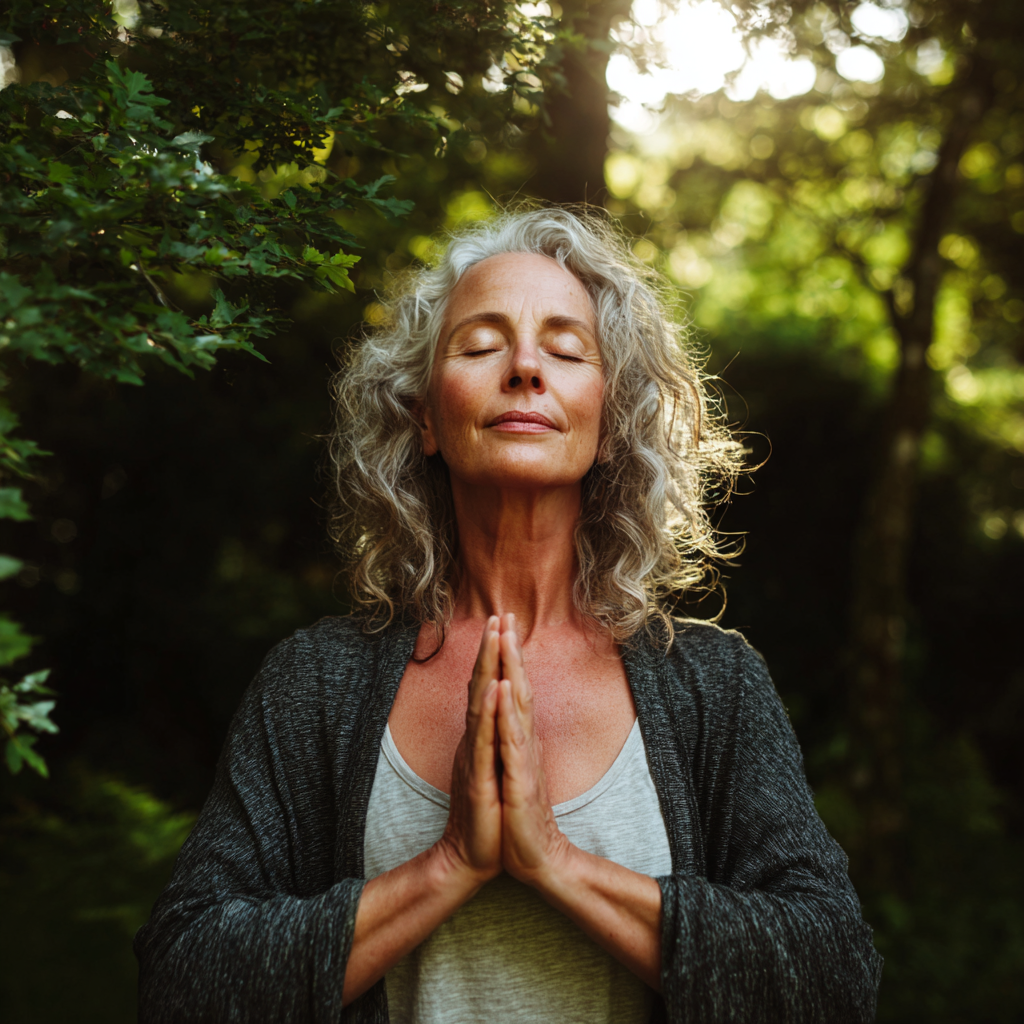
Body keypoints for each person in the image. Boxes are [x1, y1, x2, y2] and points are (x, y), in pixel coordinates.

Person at [135, 208, 882, 1023]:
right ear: (423, 416)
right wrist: (448, 864)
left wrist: (555, 861)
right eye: (482, 344)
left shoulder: (714, 684)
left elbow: (833, 975)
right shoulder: (316, 683)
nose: (526, 367)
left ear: (608, 421)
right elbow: (184, 978)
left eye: (566, 350)